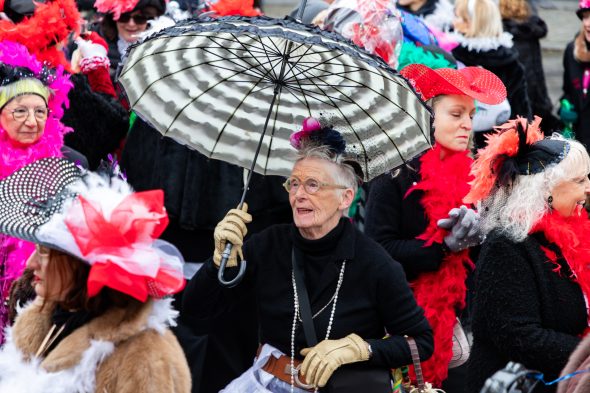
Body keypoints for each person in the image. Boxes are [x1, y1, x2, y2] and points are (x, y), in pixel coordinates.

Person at [181, 118, 434, 392]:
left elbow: (421, 341)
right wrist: (218, 262)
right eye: (294, 184)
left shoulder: (375, 263)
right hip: (267, 383)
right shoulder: (267, 245)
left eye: (313, 185)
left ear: (346, 198)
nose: (299, 194)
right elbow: (194, 310)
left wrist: (359, 348)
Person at [364, 63, 507, 391]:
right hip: (402, 321)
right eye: (456, 114)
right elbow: (377, 249)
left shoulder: (474, 174)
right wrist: (443, 247)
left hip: (461, 324)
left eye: (471, 115)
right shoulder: (395, 174)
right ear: (427, 116)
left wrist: (486, 230)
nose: (467, 124)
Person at [0, 157, 191, 392]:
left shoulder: (146, 359)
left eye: (44, 252)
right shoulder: (41, 319)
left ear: (80, 266)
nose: (31, 263)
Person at [463, 118, 590, 393]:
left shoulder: (574, 235)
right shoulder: (507, 245)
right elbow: (518, 335)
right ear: (545, 190)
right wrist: (585, 355)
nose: (588, 188)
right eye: (579, 180)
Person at [0, 41, 76, 344]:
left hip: (41, 298)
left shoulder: (70, 165)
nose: (32, 122)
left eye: (40, 111)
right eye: (20, 111)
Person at [451, 0, 532, 122]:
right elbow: (522, 117)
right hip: (501, 137)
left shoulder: (454, 58)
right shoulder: (510, 63)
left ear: (473, 24)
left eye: (459, 17)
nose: (453, 22)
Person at [500, 0, 560, 132]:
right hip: (537, 98)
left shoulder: (502, 33)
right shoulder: (531, 30)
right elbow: (537, 73)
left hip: (513, 103)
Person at [94, 0, 166, 81]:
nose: (131, 24)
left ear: (149, 20)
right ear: (113, 18)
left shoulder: (162, 48)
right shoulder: (95, 46)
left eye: (139, 18)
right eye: (124, 17)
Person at [559, 0, 590, 150]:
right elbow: (567, 90)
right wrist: (564, 108)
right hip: (578, 144)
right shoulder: (572, 50)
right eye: (585, 17)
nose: (587, 23)